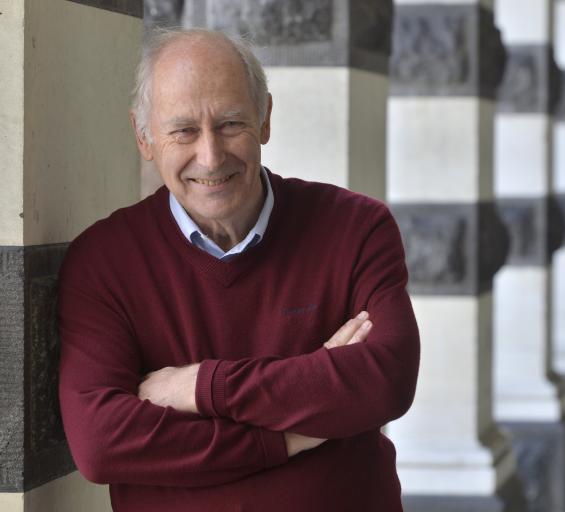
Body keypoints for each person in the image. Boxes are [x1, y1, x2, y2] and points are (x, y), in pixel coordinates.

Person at [58, 28, 420, 512]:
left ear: (265, 118)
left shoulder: (357, 228)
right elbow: (102, 443)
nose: (210, 156)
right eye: (183, 130)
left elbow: (385, 379)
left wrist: (199, 386)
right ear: (144, 137)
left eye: (230, 124)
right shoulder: (102, 262)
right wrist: (290, 434)